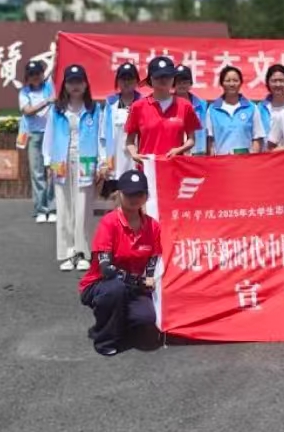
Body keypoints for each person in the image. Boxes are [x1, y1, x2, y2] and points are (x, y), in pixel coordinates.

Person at [79, 170, 160, 357]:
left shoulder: (153, 226)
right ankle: (104, 339)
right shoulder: (109, 223)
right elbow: (106, 269)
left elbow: (153, 260)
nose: (134, 198)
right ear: (119, 194)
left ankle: (118, 323)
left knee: (147, 317)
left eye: (139, 194)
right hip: (101, 284)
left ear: (146, 196)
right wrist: (140, 281)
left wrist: (149, 278)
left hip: (133, 286)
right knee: (115, 289)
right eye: (129, 194)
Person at [42, 64, 103, 272]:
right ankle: (68, 252)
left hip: (86, 160)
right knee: (64, 206)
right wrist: (47, 161)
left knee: (83, 207)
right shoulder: (57, 109)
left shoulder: (94, 109)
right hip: (61, 160)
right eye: (71, 82)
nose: (75, 86)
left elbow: (101, 137)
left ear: (86, 84)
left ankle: (83, 252)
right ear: (65, 85)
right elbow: (49, 137)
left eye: (79, 81)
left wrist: (102, 162)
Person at [125, 56, 202, 163]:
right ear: (150, 79)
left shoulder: (185, 106)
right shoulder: (138, 107)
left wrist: (179, 150)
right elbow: (130, 141)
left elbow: (191, 139)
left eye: (167, 76)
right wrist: (135, 155)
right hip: (148, 167)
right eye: (158, 77)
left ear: (173, 78)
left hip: (175, 166)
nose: (163, 80)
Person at [17, 60, 55, 223]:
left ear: (42, 73)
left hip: (52, 134)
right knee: (37, 173)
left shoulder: (49, 86)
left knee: (53, 172)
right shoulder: (24, 92)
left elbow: (56, 65)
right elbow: (28, 111)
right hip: (34, 135)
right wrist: (47, 101)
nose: (35, 77)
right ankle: (41, 209)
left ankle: (52, 208)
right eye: (31, 74)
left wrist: (57, 51)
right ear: (27, 76)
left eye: (38, 73)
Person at [98, 62, 142, 198]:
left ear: (137, 81)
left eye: (130, 78)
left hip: (135, 161)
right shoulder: (111, 104)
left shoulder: (144, 103)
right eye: (123, 79)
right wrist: (103, 162)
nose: (126, 82)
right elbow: (103, 136)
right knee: (114, 201)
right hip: (114, 162)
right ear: (117, 81)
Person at [206, 66, 266, 155]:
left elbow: (257, 138)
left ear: (241, 83)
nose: (232, 84)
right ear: (221, 83)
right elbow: (210, 140)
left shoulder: (252, 108)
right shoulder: (212, 110)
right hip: (221, 161)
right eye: (228, 81)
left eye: (235, 80)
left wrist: (253, 158)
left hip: (246, 161)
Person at [174, 64, 208, 155]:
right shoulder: (167, 104)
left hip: (198, 153)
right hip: (175, 153)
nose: (182, 85)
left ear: (190, 83)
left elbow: (207, 130)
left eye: (185, 82)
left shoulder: (202, 105)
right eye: (178, 82)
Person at [257, 64, 284, 142]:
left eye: (281, 80)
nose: (278, 84)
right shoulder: (259, 109)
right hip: (267, 149)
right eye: (274, 81)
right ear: (267, 82)